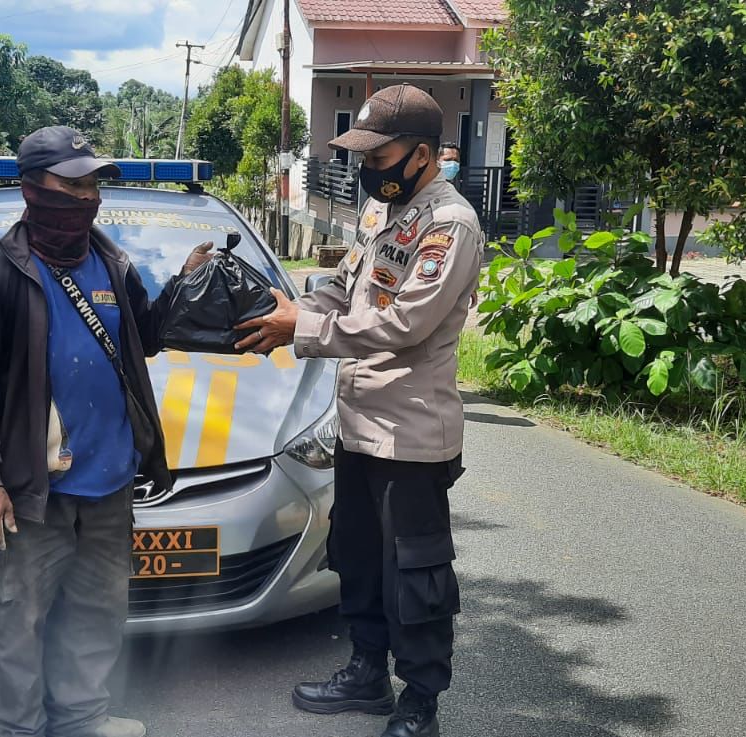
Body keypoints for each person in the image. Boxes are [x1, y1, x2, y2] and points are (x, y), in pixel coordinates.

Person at [235, 85, 482, 737]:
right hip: (359, 423)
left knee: (416, 573)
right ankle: (368, 671)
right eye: (361, 153)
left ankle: (421, 700)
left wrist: (304, 333)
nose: (367, 166)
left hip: (411, 435)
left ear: (422, 154)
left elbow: (404, 322)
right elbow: (344, 285)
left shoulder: (449, 224)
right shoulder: (382, 213)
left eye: (380, 152)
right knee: (359, 556)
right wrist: (288, 308)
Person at [0, 125, 214, 737]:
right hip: (31, 490)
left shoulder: (114, 263)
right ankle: (18, 727)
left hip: (110, 481)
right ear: (33, 188)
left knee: (97, 612)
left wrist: (182, 283)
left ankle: (79, 720)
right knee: (19, 618)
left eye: (93, 182)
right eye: (73, 183)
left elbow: (143, 340)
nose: (88, 194)